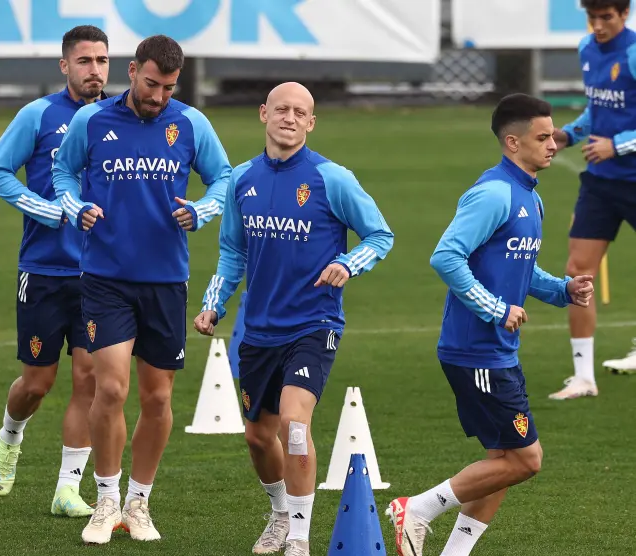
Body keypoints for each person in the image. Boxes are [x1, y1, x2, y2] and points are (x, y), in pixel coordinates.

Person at [388, 94, 594, 556]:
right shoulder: (495, 193)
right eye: (542, 138)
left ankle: (454, 553)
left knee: (502, 458)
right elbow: (445, 256)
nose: (553, 144)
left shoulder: (529, 198)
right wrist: (495, 308)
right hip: (476, 350)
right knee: (526, 459)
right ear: (512, 141)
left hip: (497, 350)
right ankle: (417, 509)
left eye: (553, 135)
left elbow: (521, 270)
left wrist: (563, 289)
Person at [194, 82, 394, 556]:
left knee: (294, 425)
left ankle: (300, 541)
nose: (289, 117)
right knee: (258, 436)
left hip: (314, 324)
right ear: (264, 113)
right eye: (281, 109)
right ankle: (281, 513)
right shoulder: (241, 180)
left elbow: (379, 235)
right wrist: (213, 304)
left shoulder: (332, 179)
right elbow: (231, 252)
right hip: (259, 329)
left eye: (299, 112)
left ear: (311, 122)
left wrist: (349, 263)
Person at [52, 34, 232, 544]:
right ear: (132, 71)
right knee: (110, 387)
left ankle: (139, 501)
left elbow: (223, 179)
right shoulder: (92, 121)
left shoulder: (191, 123)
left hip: (166, 281)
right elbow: (62, 171)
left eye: (169, 87)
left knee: (156, 398)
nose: (158, 96)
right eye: (151, 83)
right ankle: (105, 500)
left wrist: (202, 210)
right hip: (105, 277)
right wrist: (73, 206)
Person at [0, 25, 110, 517]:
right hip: (42, 267)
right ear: (65, 65)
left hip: (100, 272)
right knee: (37, 381)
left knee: (89, 378)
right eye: (84, 61)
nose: (94, 70)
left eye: (101, 60)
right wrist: (43, 208)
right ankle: (10, 436)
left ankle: (67, 488)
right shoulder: (37, 115)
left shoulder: (116, 118)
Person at [552, 0, 636, 393]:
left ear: (625, 15)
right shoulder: (587, 48)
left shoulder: (633, 53)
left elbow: (616, 131)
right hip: (600, 184)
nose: (599, 25)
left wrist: (616, 146)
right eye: (593, 17)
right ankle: (583, 376)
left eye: (608, 17)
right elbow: (597, 110)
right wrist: (569, 134)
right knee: (577, 270)